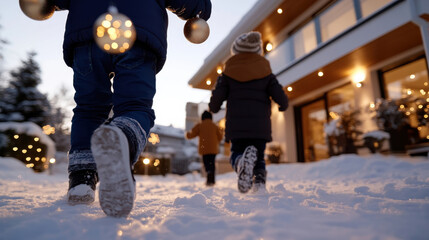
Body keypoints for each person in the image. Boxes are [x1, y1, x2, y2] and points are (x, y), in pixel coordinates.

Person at [53, 0, 211, 217]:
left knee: (88, 107)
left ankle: (82, 178)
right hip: (137, 32)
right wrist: (201, 8)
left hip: (87, 33)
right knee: (135, 105)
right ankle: (122, 137)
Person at [209, 31, 288, 193]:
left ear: (236, 51)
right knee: (258, 157)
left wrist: (214, 106)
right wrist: (283, 105)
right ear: (257, 50)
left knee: (236, 153)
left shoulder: (227, 73)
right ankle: (259, 185)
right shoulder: (266, 72)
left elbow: (216, 101)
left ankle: (240, 163)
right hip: (260, 126)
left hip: (237, 126)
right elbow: (280, 96)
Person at [186, 110, 223, 186]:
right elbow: (220, 137)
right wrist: (215, 141)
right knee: (212, 163)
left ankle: (209, 177)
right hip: (213, 149)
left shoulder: (200, 125)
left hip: (204, 149)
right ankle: (212, 180)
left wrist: (187, 134)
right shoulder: (214, 126)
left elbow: (191, 135)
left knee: (207, 163)